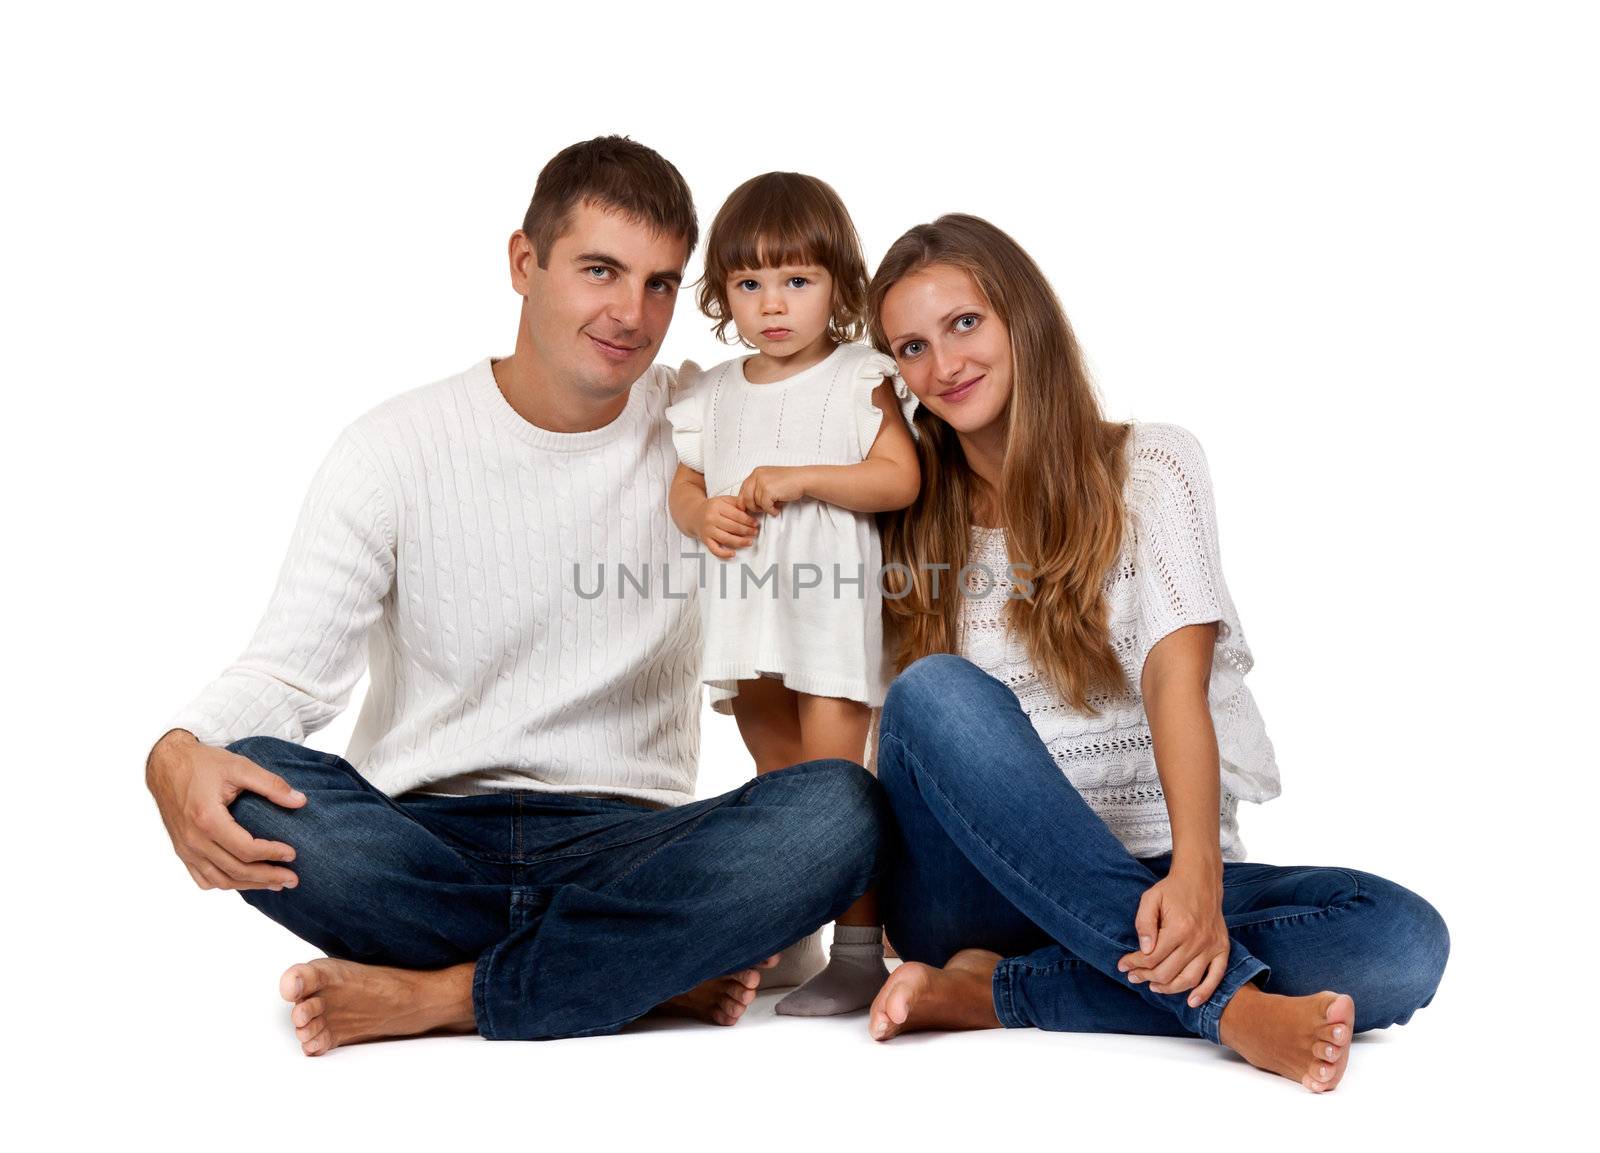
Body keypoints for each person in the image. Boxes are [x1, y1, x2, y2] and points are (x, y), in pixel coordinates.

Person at [143, 136, 887, 1054]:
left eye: (660, 283)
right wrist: (173, 752)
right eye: (600, 270)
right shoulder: (393, 447)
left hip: (632, 844)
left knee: (839, 811)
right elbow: (290, 675)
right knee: (257, 779)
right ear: (524, 263)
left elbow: (851, 400)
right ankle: (638, 970)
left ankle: (446, 994)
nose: (630, 312)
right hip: (423, 842)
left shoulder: (710, 420)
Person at [859, 214, 1449, 1093]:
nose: (944, 366)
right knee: (935, 692)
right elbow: (889, 733)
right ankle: (1232, 1009)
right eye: (911, 347)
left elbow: (1179, 677)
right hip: (972, 893)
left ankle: (998, 995)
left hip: (1147, 877)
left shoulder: (1153, 467)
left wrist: (1197, 873)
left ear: (1023, 317)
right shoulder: (899, 519)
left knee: (1399, 940)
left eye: (965, 324)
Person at [664, 172, 920, 1016]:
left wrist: (804, 478)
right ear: (724, 293)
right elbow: (684, 481)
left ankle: (859, 953)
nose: (773, 305)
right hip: (748, 615)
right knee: (780, 781)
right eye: (750, 284)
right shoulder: (715, 393)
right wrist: (702, 511)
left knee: (837, 782)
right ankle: (801, 930)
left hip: (829, 616)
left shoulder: (856, 376)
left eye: (797, 280)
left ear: (839, 285)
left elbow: (897, 478)